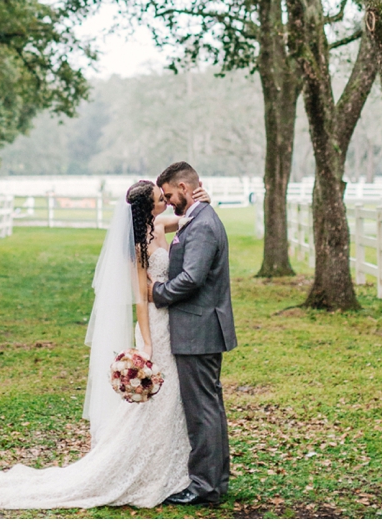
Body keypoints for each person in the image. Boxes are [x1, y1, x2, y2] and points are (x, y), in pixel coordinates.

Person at [0, 178, 210, 509]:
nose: (165, 202)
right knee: (157, 398)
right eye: (158, 200)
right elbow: (140, 298)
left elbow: (192, 217)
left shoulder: (162, 225)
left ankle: (172, 463)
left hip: (171, 319)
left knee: (171, 398)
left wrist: (205, 199)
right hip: (153, 324)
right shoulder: (136, 247)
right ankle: (142, 467)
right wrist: (147, 344)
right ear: (146, 208)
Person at [149, 160, 237, 507]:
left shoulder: (202, 224)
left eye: (170, 194)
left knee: (202, 410)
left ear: (184, 188)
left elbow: (191, 277)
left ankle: (204, 486)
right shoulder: (199, 216)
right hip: (200, 327)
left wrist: (158, 293)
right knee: (209, 407)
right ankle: (216, 480)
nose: (169, 202)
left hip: (198, 327)